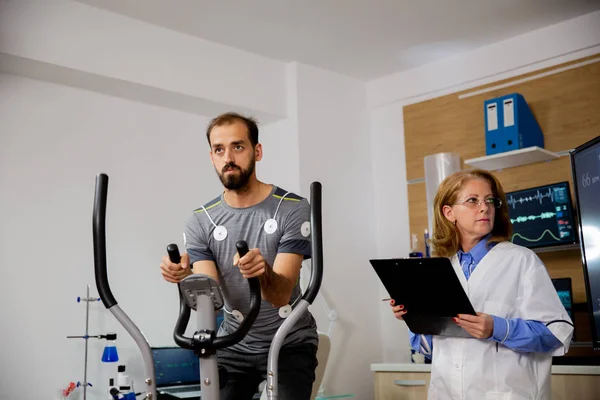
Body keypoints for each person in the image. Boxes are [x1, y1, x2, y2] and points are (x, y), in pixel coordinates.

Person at [160, 112, 318, 400]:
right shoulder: (200, 220)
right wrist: (186, 278)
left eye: (238, 146)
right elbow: (210, 297)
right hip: (234, 344)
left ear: (257, 151)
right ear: (211, 157)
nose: (228, 157)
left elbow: (282, 293)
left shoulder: (292, 209)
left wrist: (263, 272)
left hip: (289, 343)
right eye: (219, 150)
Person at [390, 169, 574, 399]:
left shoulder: (521, 260)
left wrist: (498, 328)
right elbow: (432, 349)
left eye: (490, 200)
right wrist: (414, 317)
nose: (484, 207)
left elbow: (558, 335)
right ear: (449, 213)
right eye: (472, 200)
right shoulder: (440, 268)